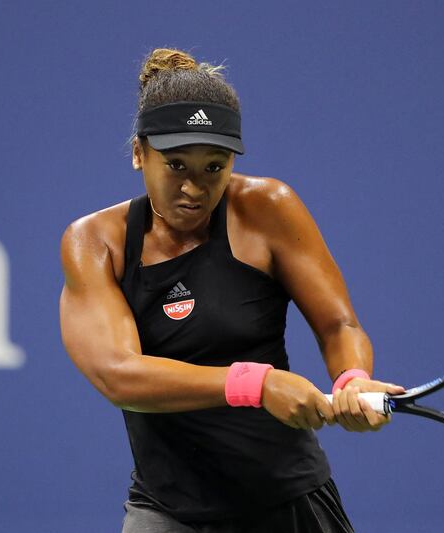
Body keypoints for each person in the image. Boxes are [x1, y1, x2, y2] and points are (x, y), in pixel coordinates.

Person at [59, 48, 404, 533]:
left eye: (213, 167)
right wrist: (256, 384)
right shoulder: (97, 243)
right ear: (140, 153)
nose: (195, 189)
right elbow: (121, 376)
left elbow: (337, 324)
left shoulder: (268, 208)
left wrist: (352, 379)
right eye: (176, 165)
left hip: (288, 502)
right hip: (168, 511)